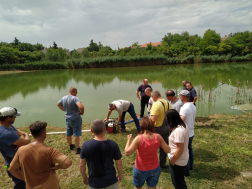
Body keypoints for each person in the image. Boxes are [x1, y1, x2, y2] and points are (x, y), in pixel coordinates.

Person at [9, 121, 72, 189]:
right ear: (44, 132)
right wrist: (57, 167)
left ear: (32, 134)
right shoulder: (50, 151)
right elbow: (68, 162)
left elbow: (12, 169)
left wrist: (25, 178)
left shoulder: (21, 150)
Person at [125, 117, 170, 189]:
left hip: (140, 169)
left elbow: (127, 153)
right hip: (155, 168)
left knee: (138, 187)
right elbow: (168, 150)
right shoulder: (158, 137)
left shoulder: (139, 138)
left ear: (141, 126)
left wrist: (128, 140)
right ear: (152, 126)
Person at [80, 119, 123, 189]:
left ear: (91, 130)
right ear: (105, 129)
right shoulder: (113, 144)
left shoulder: (86, 145)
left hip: (94, 181)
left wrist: (84, 176)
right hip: (110, 179)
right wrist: (120, 174)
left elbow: (82, 165)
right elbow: (119, 163)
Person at [0, 107, 30, 189]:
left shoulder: (8, 126)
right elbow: (27, 141)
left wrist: (20, 141)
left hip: (18, 161)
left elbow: (20, 134)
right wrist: (26, 135)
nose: (15, 117)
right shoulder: (5, 133)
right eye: (14, 116)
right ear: (8, 118)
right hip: (15, 165)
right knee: (22, 185)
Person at [57, 87, 84, 154]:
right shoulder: (75, 98)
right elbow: (81, 106)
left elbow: (58, 104)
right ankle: (78, 149)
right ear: (74, 91)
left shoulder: (63, 98)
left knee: (68, 132)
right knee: (76, 133)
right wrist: (82, 112)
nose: (76, 94)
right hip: (75, 118)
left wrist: (65, 110)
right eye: (76, 92)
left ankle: (71, 146)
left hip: (67, 118)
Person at [166, 109, 189, 189]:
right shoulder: (184, 125)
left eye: (167, 119)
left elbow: (180, 149)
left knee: (178, 184)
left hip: (177, 161)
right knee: (179, 181)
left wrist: (173, 160)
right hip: (181, 159)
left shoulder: (178, 131)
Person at [150, 90, 172, 168]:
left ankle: (152, 163)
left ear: (153, 97)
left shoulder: (156, 104)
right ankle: (162, 164)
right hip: (166, 127)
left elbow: (152, 120)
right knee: (163, 146)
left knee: (152, 147)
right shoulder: (168, 103)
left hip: (157, 129)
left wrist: (148, 130)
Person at [179, 90, 196, 177]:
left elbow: (181, 122)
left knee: (185, 152)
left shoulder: (184, 108)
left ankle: (186, 172)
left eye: (180, 96)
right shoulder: (193, 105)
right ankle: (191, 167)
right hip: (191, 132)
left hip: (185, 133)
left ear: (182, 97)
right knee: (189, 149)